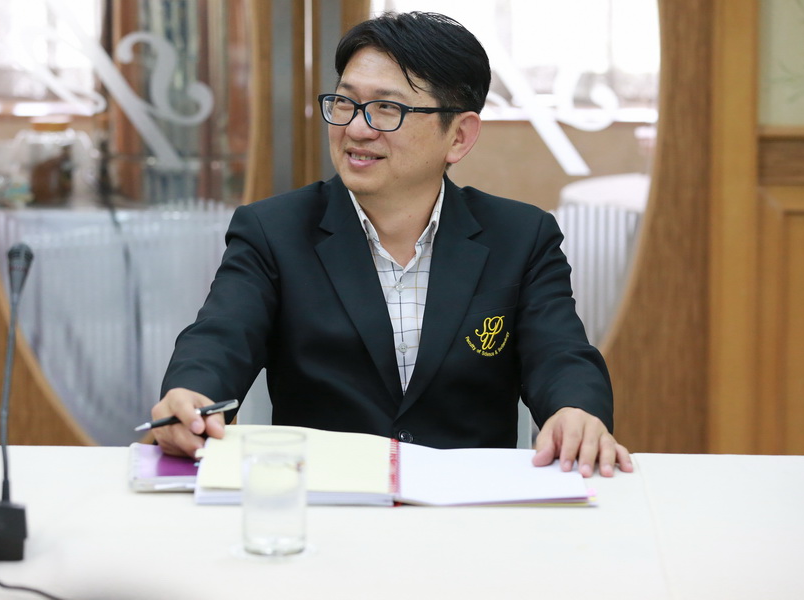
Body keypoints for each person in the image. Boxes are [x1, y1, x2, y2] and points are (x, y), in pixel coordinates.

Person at [152, 11, 633, 478]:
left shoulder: (520, 236)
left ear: (459, 136)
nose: (356, 128)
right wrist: (192, 394)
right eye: (345, 103)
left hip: (470, 506)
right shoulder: (273, 230)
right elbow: (221, 336)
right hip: (326, 499)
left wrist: (575, 411)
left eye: (387, 108)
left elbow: (560, 353)